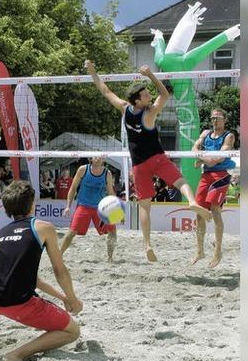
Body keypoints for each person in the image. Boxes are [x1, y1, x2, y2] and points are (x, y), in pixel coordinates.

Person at [86, 60, 212, 262]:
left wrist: (93, 72)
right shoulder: (149, 114)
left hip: (139, 164)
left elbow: (105, 90)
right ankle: (192, 202)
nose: (149, 96)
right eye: (145, 95)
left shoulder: (125, 108)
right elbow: (164, 94)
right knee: (181, 182)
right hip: (156, 158)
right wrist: (151, 75)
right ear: (138, 101)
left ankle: (147, 245)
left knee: (145, 206)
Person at [0, 181, 82, 361]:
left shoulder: (0, 233)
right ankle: (16, 354)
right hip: (19, 304)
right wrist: (72, 298)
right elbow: (60, 271)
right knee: (72, 331)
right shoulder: (43, 227)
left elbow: (27, 277)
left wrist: (61, 297)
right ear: (32, 203)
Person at [192, 108, 236, 268]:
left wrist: (200, 159)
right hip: (206, 175)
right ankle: (200, 251)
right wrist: (202, 158)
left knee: (215, 210)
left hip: (222, 175)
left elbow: (217, 159)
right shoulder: (205, 134)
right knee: (199, 213)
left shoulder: (229, 136)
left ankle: (218, 251)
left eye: (218, 118)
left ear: (225, 120)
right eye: (212, 118)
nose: (215, 121)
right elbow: (193, 150)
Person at [60, 156, 118, 262]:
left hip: (100, 208)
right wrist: (68, 206)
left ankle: (110, 258)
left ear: (103, 160)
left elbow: (110, 192)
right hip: (84, 206)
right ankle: (59, 255)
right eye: (95, 156)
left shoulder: (107, 173)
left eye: (100, 157)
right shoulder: (83, 169)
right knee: (72, 232)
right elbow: (73, 188)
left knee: (112, 231)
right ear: (91, 159)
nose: (98, 158)